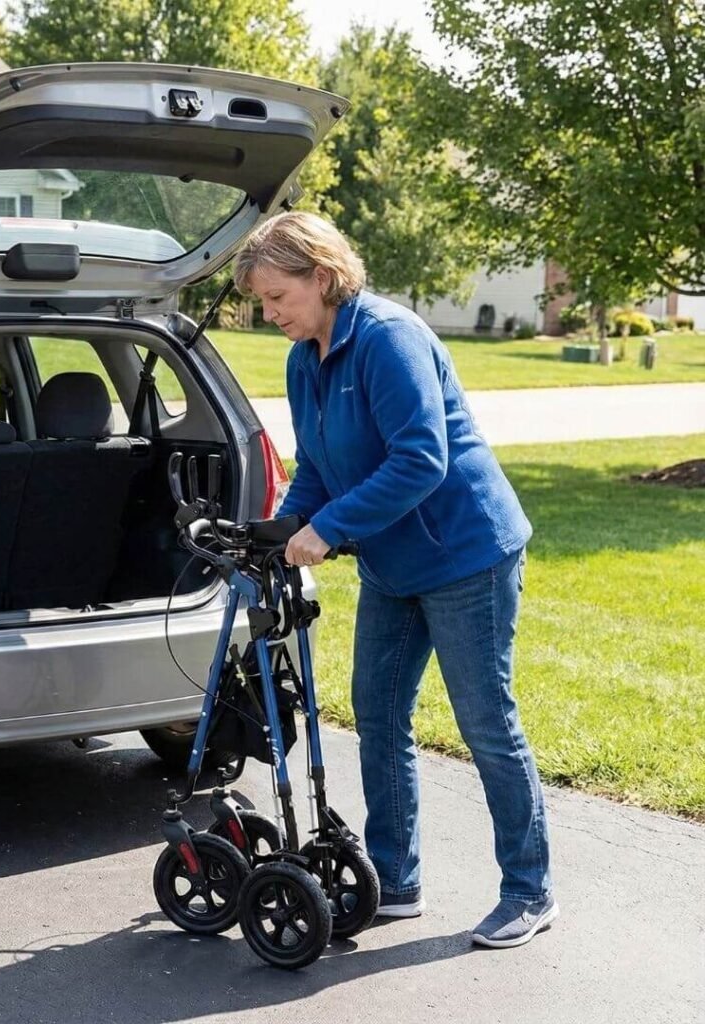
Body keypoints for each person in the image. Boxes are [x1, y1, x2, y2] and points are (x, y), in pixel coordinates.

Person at [233, 211, 557, 949]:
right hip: (391, 563)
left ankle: (530, 890)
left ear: (321, 275)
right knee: (377, 714)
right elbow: (317, 466)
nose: (269, 313)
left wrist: (330, 529)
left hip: (465, 555)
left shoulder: (388, 337)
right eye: (261, 301)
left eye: (278, 295)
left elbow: (420, 460)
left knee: (486, 724)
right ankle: (394, 880)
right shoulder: (303, 356)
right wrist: (284, 532)